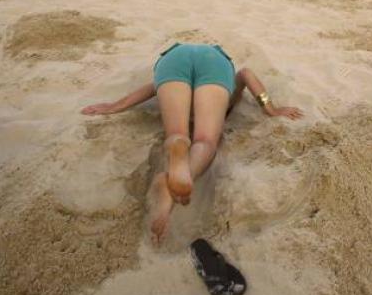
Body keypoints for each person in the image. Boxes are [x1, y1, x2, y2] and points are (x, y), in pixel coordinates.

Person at [81, 43, 302, 243]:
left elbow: (154, 87)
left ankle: (178, 143)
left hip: (174, 58)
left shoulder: (179, 59)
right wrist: (270, 108)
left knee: (176, 132)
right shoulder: (225, 81)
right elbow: (245, 73)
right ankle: (172, 190)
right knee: (206, 140)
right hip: (214, 64)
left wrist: (114, 106)